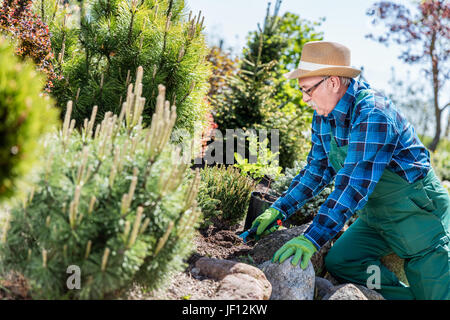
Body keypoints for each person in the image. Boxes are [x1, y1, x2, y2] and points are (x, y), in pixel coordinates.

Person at [250, 41, 450, 300]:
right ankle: (401, 296)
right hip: (377, 218)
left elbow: (353, 185)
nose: (304, 99)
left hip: (418, 215)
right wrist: (280, 208)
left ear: (332, 82)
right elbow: (317, 169)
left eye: (308, 90)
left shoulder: (374, 115)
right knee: (343, 261)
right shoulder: (324, 114)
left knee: (435, 294)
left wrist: (311, 238)